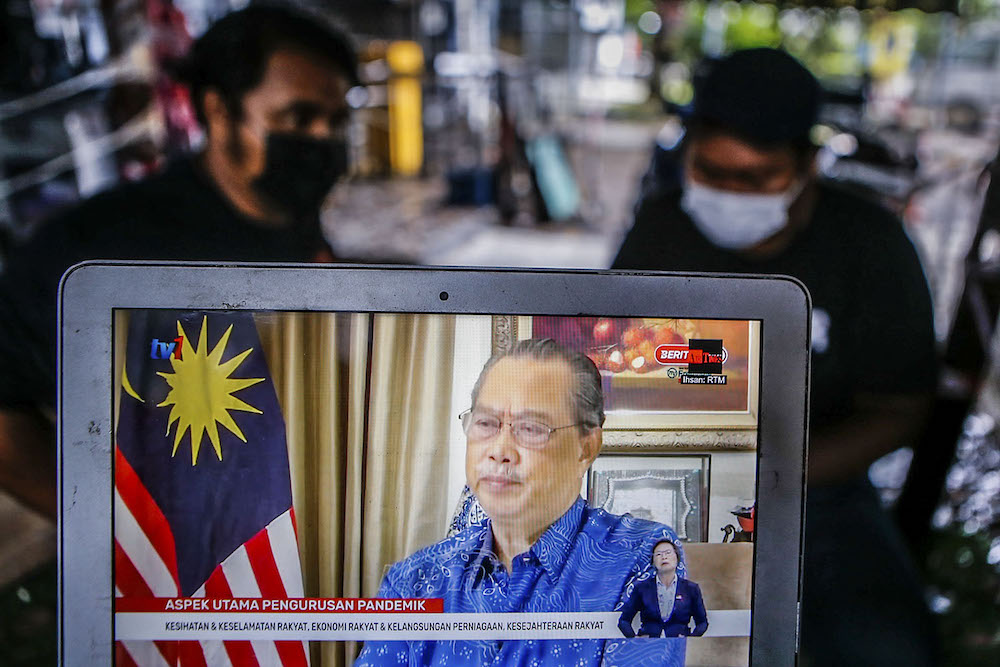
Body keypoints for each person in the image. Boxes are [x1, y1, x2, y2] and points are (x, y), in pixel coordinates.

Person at [613, 48, 938, 666]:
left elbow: (898, 409)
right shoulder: (660, 231)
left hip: (820, 488)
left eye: (757, 177)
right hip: (671, 481)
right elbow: (615, 360)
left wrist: (777, 475)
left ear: (806, 167)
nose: (732, 192)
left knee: (886, 649)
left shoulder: (871, 245)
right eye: (713, 171)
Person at [0, 4, 358, 519]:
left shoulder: (288, 213)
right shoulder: (104, 245)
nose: (323, 140)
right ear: (218, 110)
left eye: (337, 121)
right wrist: (108, 529)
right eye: (298, 118)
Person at [355, 338, 687, 666]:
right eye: (486, 423)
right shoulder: (413, 580)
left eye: (530, 428)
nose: (499, 450)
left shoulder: (641, 557)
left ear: (586, 448)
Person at [618, 539, 708, 638]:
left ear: (677, 558)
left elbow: (702, 623)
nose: (664, 557)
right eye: (658, 554)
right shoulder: (641, 588)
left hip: (678, 643)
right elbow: (624, 621)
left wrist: (690, 639)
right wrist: (636, 640)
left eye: (668, 553)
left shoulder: (691, 589)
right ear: (653, 562)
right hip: (649, 644)